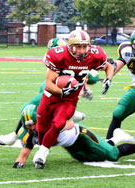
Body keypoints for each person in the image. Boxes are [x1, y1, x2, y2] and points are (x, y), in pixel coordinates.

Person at [33, 30, 114, 169]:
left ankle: (42, 153)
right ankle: (43, 144)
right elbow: (48, 84)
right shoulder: (58, 55)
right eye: (78, 47)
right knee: (41, 127)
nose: (82, 51)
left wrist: (108, 79)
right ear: (70, 46)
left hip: (70, 99)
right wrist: (62, 91)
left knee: (58, 124)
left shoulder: (94, 54)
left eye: (85, 47)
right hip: (51, 96)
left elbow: (108, 66)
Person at [12, 105, 135, 168]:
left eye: (33, 124)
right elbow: (26, 150)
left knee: (112, 154)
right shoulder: (28, 133)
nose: (31, 128)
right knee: (93, 158)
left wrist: (57, 128)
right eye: (28, 126)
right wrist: (19, 163)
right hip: (71, 147)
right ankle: (115, 137)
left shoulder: (50, 120)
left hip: (81, 136)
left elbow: (70, 124)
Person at [0, 81, 86, 146]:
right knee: (30, 114)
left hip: (64, 91)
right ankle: (15, 135)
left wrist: (83, 88)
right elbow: (26, 108)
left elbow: (86, 74)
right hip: (54, 88)